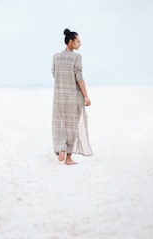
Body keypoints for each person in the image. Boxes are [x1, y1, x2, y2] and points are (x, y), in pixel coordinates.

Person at [52, 28, 93, 165]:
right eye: (78, 41)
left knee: (60, 124)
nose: (80, 44)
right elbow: (79, 78)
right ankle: (68, 158)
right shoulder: (77, 57)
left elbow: (54, 74)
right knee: (72, 126)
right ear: (71, 42)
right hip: (74, 97)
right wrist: (86, 96)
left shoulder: (56, 57)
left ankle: (61, 148)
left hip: (59, 97)